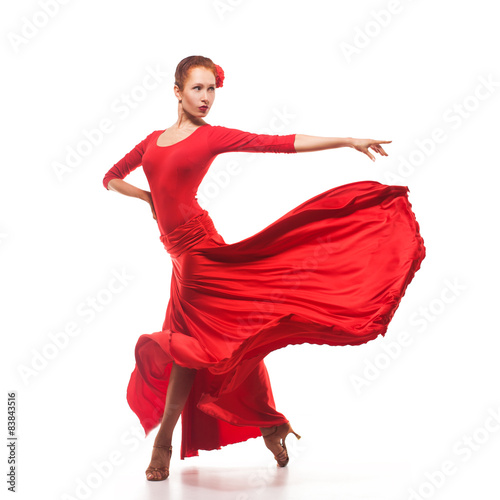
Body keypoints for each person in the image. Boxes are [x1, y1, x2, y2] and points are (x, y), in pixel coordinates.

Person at [102, 55, 425, 481]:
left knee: (186, 347)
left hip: (200, 253)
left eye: (212, 89)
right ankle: (271, 423)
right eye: (197, 89)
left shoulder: (211, 137)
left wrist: (347, 140)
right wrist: (147, 200)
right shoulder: (150, 141)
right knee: (228, 341)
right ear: (176, 91)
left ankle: (164, 441)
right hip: (177, 257)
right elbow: (110, 177)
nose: (206, 98)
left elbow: (279, 142)